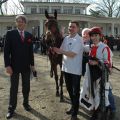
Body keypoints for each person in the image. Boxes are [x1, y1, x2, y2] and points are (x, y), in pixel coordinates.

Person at [80, 27, 116, 120]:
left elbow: (108, 64)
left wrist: (97, 62)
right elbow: (82, 48)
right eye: (92, 36)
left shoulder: (105, 48)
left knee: (106, 94)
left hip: (102, 75)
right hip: (93, 75)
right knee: (94, 94)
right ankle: (96, 112)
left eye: (96, 35)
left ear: (100, 36)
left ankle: (111, 111)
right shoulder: (91, 47)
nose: (94, 37)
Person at [4, 15, 35, 119]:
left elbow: (31, 52)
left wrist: (32, 65)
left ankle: (26, 104)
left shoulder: (29, 35)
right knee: (14, 88)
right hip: (14, 66)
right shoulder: (10, 34)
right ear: (16, 23)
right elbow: (6, 51)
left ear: (25, 23)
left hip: (26, 66)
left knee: (26, 87)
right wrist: (7, 65)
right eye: (17, 21)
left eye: (21, 21)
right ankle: (11, 108)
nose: (19, 23)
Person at [53, 21, 83, 120]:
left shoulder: (79, 40)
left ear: (77, 28)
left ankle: (75, 112)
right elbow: (61, 50)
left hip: (75, 70)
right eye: (70, 27)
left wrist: (60, 51)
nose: (71, 28)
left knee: (75, 91)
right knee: (69, 90)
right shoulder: (66, 38)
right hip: (66, 68)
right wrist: (54, 50)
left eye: (73, 27)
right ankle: (73, 106)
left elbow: (72, 54)